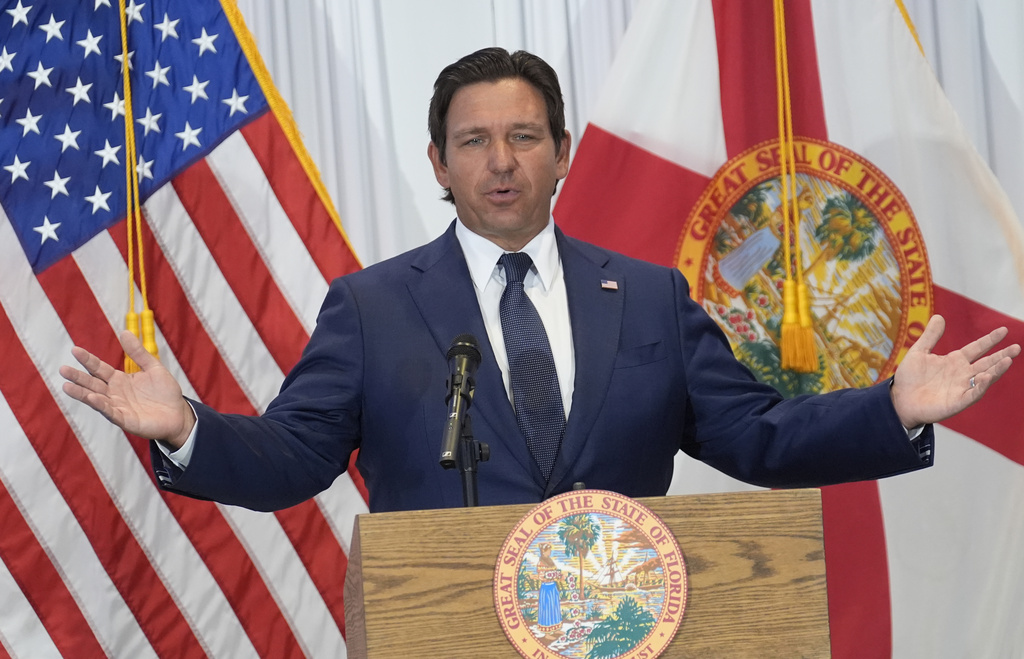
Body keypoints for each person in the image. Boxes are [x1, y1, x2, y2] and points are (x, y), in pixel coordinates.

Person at [60, 48, 1019, 514]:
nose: (501, 161)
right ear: (438, 162)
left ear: (562, 154)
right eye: (474, 141)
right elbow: (292, 460)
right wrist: (186, 428)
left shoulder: (649, 298)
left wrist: (891, 408)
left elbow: (755, 436)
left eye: (524, 137)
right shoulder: (372, 308)